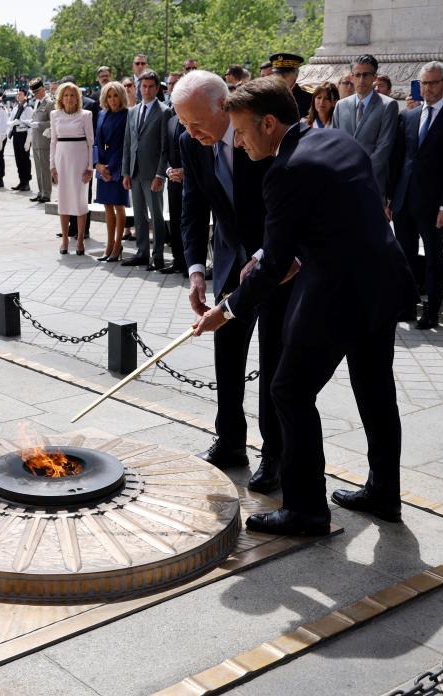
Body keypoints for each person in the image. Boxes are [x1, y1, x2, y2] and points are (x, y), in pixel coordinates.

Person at [193, 77, 417, 535]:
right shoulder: (337, 140)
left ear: (269, 123)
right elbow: (336, 217)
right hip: (382, 284)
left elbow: (273, 265)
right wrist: (290, 256)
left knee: (289, 392)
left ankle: (306, 508)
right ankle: (384, 493)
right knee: (375, 388)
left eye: (241, 130)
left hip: (338, 295)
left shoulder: (285, 170)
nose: (237, 141)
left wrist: (228, 310)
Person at [174, 70, 286, 491]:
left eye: (197, 122)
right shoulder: (190, 142)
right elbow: (193, 206)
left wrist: (264, 256)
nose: (191, 132)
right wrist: (196, 270)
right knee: (227, 356)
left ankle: (274, 454)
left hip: (274, 264)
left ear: (224, 108)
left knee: (273, 359)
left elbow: (282, 208)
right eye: (184, 123)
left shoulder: (258, 136)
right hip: (226, 262)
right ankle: (230, 441)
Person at [389, 61, 443, 329]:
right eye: (424, 83)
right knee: (404, 255)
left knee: (434, 258)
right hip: (404, 200)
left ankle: (432, 310)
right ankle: (406, 306)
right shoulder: (408, 116)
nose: (428, 88)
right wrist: (390, 197)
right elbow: (399, 159)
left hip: (434, 203)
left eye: (433, 83)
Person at [331, 54, 399, 201]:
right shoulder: (340, 105)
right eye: (357, 75)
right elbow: (334, 143)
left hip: (372, 184)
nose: (361, 80)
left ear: (374, 77)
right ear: (351, 77)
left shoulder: (388, 105)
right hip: (342, 182)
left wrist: (360, 173)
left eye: (366, 75)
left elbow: (384, 147)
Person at [121, 70, 170, 269]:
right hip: (135, 172)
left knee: (156, 215)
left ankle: (157, 256)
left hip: (153, 174)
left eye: (150, 86)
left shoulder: (164, 111)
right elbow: (128, 143)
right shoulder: (132, 111)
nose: (146, 90)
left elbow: (165, 147)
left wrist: (160, 174)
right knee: (139, 215)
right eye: (143, 86)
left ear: (157, 88)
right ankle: (142, 253)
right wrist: (125, 172)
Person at [49, 81, 94, 255]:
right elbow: (53, 141)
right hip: (62, 159)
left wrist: (90, 167)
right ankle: (65, 239)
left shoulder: (86, 115)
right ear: (61, 97)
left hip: (80, 160)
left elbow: (91, 142)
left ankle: (81, 238)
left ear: (77, 98)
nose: (69, 98)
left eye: (72, 95)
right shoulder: (55, 115)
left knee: (80, 200)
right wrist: (52, 166)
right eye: (66, 95)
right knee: (64, 199)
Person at [93, 80, 130, 262]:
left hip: (118, 168)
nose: (113, 99)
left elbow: (125, 146)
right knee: (107, 206)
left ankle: (117, 245)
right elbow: (97, 142)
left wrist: (111, 168)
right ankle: (108, 245)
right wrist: (97, 164)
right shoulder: (101, 115)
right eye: (109, 96)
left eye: (115, 95)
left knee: (118, 205)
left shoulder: (127, 115)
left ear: (121, 96)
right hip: (102, 166)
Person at [163, 74, 188, 275]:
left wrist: (186, 172)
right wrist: (168, 170)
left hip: (191, 181)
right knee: (175, 221)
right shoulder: (170, 120)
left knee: (190, 222)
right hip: (173, 181)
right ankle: (178, 260)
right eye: (170, 85)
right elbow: (166, 150)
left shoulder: (195, 119)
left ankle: (191, 262)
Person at [28, 77, 54, 203]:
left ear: (43, 89)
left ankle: (46, 193)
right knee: (38, 168)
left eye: (37, 92)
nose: (35, 95)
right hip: (36, 140)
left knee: (44, 168)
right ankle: (40, 191)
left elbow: (53, 121)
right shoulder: (37, 102)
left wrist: (39, 124)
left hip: (44, 140)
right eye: (34, 93)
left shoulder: (50, 103)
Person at [7, 87, 34, 191]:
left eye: (21, 94)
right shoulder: (15, 108)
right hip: (16, 134)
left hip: (24, 134)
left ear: (26, 96)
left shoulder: (28, 109)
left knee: (25, 159)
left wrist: (28, 140)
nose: (18, 96)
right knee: (18, 159)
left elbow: (30, 125)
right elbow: (9, 121)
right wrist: (13, 123)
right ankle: (21, 181)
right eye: (17, 94)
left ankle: (26, 182)